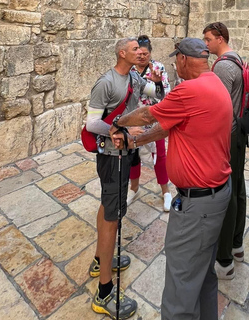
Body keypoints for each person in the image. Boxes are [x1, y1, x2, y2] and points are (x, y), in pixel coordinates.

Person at [110, 38, 233, 320]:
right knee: (202, 274)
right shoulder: (213, 82)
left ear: (185, 60)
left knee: (181, 281)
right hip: (214, 196)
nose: (175, 64)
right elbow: (169, 127)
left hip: (198, 205)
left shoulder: (189, 89)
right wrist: (137, 141)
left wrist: (117, 122)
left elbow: (147, 113)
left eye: (177, 58)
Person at [85, 37, 164, 319]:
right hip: (111, 155)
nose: (140, 52)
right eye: (134, 49)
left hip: (126, 149)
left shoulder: (133, 75)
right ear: (122, 53)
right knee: (112, 217)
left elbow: (153, 93)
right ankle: (104, 291)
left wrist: (157, 81)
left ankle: (99, 261)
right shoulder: (106, 82)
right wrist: (115, 130)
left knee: (109, 208)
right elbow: (92, 122)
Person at [203, 21, 247, 280]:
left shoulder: (222, 66)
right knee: (239, 188)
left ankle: (224, 259)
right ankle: (238, 245)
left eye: (208, 39)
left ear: (220, 38)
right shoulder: (238, 58)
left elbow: (215, 107)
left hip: (227, 135)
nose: (206, 44)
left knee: (226, 192)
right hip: (240, 131)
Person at [127, 35, 173, 211]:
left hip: (154, 121)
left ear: (150, 52)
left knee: (159, 156)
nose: (142, 56)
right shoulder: (130, 70)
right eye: (139, 53)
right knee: (133, 157)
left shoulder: (158, 68)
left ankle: (166, 191)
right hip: (133, 122)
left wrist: (157, 83)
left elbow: (165, 95)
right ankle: (134, 189)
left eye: (145, 53)